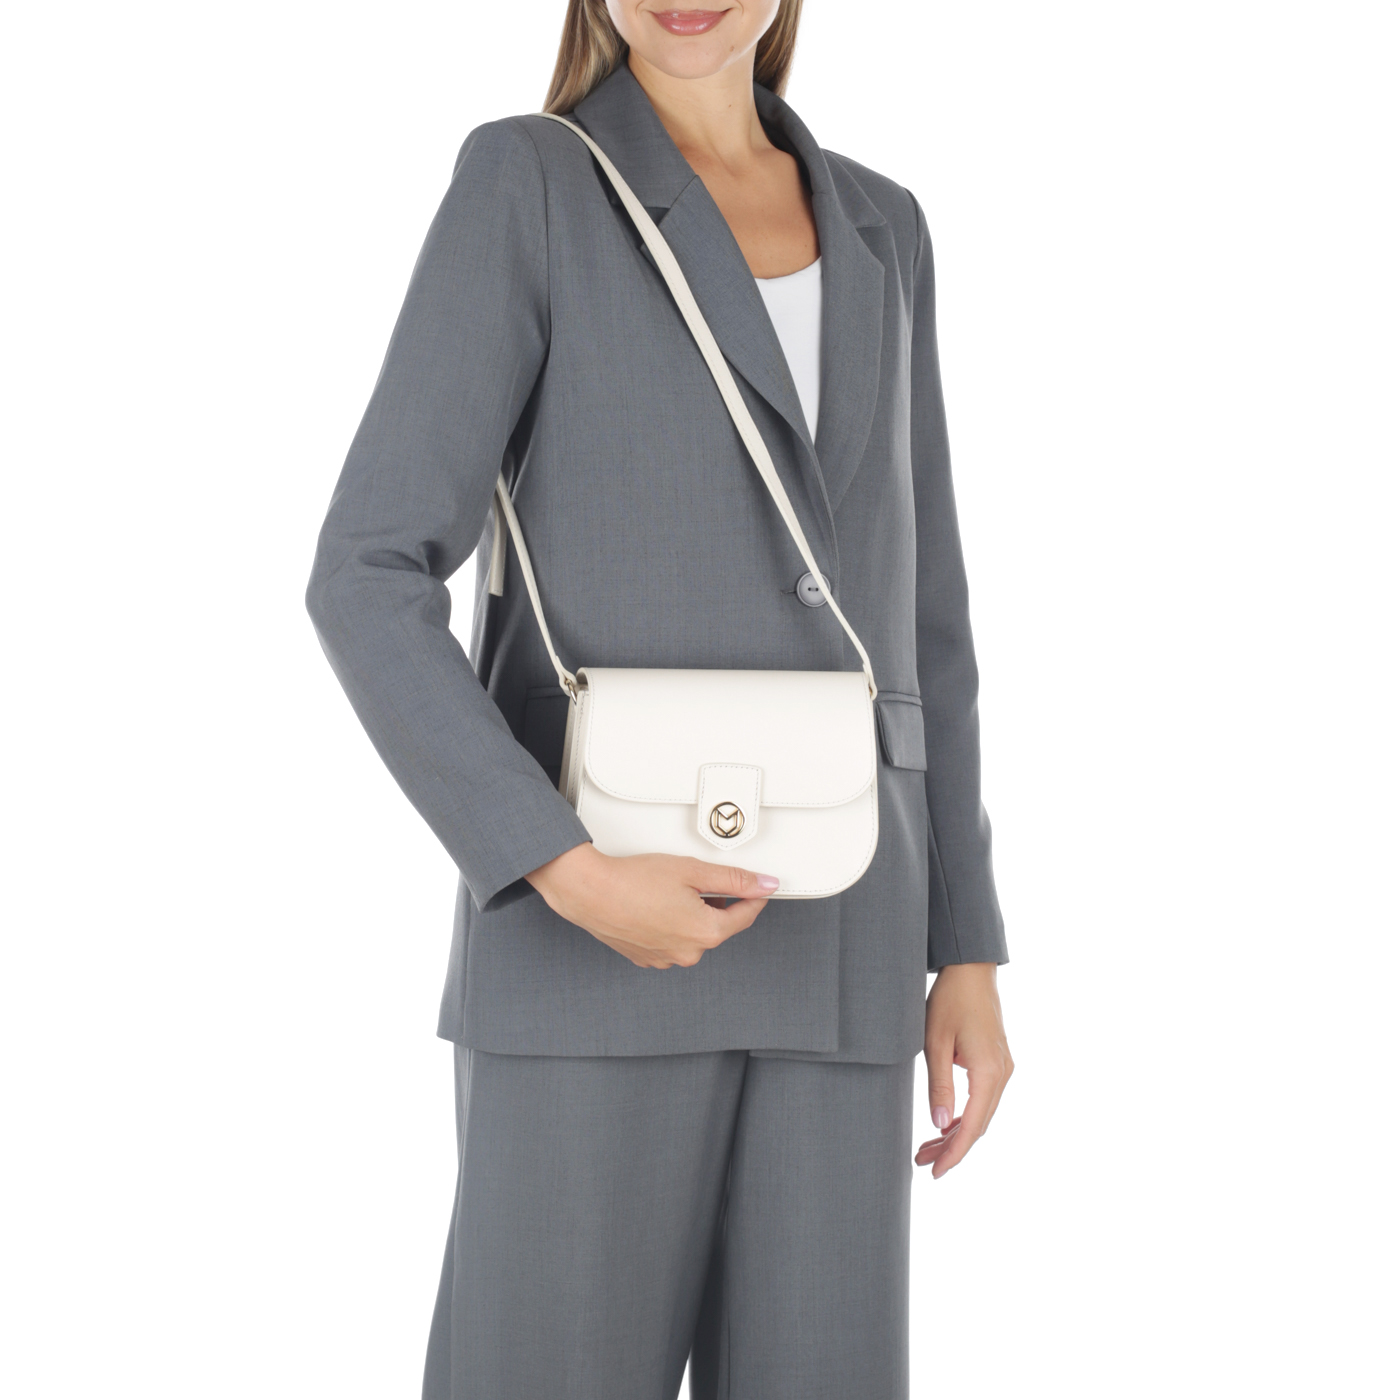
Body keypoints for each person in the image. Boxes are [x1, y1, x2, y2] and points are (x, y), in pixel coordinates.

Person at [306, 2, 1014, 1396]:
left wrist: (966, 948)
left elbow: (921, 615)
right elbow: (366, 573)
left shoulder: (886, 225)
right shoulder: (530, 182)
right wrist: (561, 871)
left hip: (845, 943)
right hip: (590, 947)